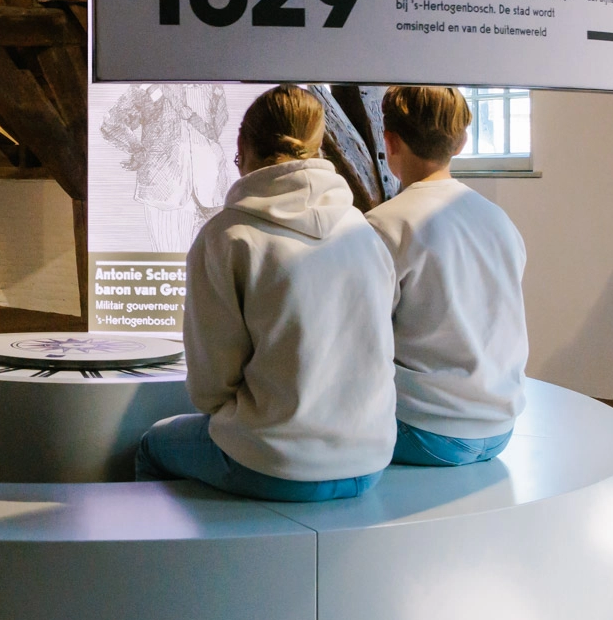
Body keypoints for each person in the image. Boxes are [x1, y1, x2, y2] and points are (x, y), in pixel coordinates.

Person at [135, 85, 397, 501]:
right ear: (318, 149)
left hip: (273, 461)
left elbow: (209, 389)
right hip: (369, 460)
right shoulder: (363, 232)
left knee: (152, 446)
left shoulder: (226, 236)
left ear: (243, 148)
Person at [366, 86, 529, 466]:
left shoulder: (384, 225)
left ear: (390, 141)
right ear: (461, 142)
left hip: (423, 429)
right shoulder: (499, 220)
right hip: (500, 428)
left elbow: (362, 335)